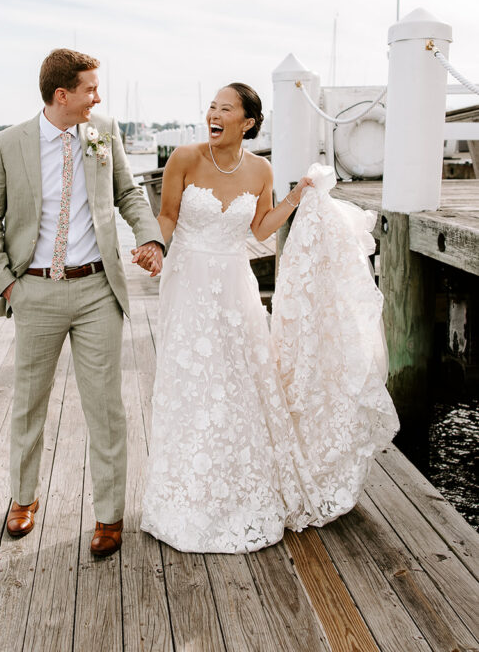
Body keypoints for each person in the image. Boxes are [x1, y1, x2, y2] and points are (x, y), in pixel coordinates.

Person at [141, 82, 399, 553]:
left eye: (225, 109)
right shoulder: (184, 157)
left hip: (235, 283)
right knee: (192, 381)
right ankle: (185, 494)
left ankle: (242, 487)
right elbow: (169, 216)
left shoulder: (261, 168)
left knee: (239, 381)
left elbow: (259, 228)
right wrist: (154, 247)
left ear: (248, 122)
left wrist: (298, 196)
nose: (213, 115)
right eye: (211, 107)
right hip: (188, 281)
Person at [0, 48, 163, 558]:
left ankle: (109, 514)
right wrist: (10, 285)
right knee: (29, 404)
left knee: (106, 408)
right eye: (90, 89)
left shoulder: (103, 131)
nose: (97, 98)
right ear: (63, 95)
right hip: (34, 292)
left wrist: (151, 239)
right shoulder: (6, 144)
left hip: (97, 291)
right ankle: (22, 498)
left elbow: (129, 194)